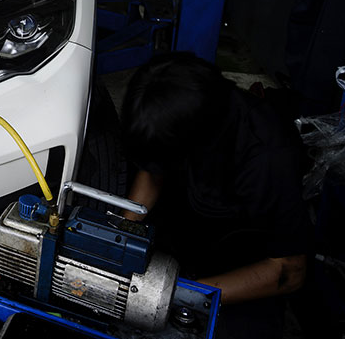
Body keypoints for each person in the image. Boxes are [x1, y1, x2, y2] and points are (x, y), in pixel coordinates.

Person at [120, 53, 311, 339]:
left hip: (240, 267)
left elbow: (289, 272)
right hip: (185, 237)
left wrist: (181, 293)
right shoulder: (181, 103)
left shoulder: (267, 161)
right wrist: (123, 238)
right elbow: (152, 172)